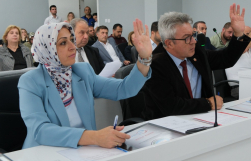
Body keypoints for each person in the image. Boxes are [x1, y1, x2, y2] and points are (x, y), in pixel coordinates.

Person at [18, 19, 152, 149]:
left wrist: (144, 58)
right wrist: (95, 137)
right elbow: (40, 130)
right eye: (63, 43)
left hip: (84, 152)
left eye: (71, 39)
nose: (72, 47)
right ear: (47, 49)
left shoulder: (82, 71)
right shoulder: (30, 81)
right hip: (44, 154)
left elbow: (123, 89)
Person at [141, 4, 251, 120]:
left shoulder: (196, 53)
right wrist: (208, 103)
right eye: (187, 38)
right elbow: (171, 106)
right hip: (167, 124)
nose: (193, 41)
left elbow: (226, 59)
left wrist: (238, 34)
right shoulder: (155, 64)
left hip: (201, 118)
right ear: (169, 43)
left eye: (193, 35)